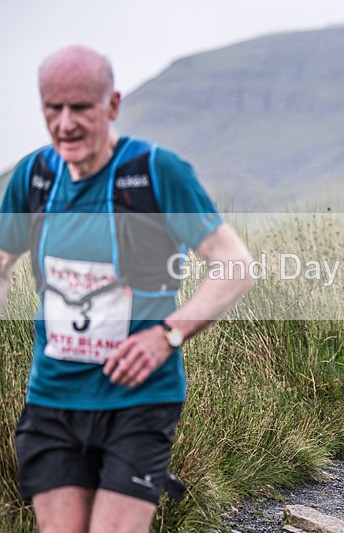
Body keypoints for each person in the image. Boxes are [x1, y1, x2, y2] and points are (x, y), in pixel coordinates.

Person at [0, 46, 254, 532]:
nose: (66, 123)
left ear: (112, 105)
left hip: (138, 402)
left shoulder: (157, 173)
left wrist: (166, 336)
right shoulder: (34, 177)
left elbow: (235, 266)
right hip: (52, 401)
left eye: (81, 108)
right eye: (54, 108)